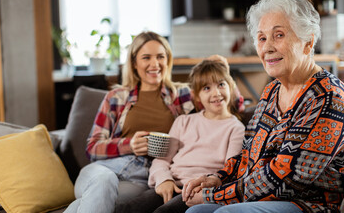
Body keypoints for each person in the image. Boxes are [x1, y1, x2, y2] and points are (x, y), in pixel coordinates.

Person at [182, 0, 344, 213]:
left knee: (224, 212)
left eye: (279, 35)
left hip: (312, 203)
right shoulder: (272, 91)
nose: (267, 47)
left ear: (308, 42)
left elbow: (287, 179)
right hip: (264, 197)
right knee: (196, 212)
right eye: (262, 38)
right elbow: (248, 153)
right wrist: (217, 178)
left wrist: (213, 195)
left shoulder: (328, 97)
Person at [64, 31, 244, 213]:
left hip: (141, 175)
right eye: (146, 57)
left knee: (91, 204)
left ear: (168, 60)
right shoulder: (117, 97)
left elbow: (228, 104)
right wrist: (129, 145)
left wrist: (222, 70)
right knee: (103, 182)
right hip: (106, 168)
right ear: (134, 63)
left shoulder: (181, 95)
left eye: (160, 56)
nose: (154, 63)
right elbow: (92, 147)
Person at [116, 60, 245, 213]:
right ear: (197, 96)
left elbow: (230, 170)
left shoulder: (236, 128)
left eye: (221, 85)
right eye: (206, 88)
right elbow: (162, 159)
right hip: (173, 183)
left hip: (199, 189)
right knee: (127, 209)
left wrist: (206, 185)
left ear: (230, 87)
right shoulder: (183, 121)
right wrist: (164, 180)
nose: (216, 93)